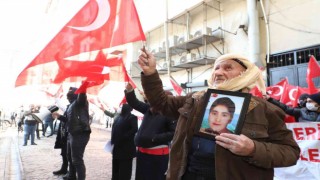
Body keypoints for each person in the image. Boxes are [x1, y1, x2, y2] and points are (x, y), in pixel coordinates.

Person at [138, 51, 300, 180]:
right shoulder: (196, 99)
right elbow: (161, 103)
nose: (219, 73)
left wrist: (253, 149)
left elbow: (290, 152)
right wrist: (151, 73)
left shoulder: (263, 109)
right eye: (216, 68)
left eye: (228, 68)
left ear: (246, 74)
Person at [125, 83, 176, 180]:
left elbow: (174, 133)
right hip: (142, 153)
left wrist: (155, 138)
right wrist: (130, 91)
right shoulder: (149, 109)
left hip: (157, 156)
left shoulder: (171, 113)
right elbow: (134, 102)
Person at [53, 86, 91, 180]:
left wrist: (83, 88)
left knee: (77, 160)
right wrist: (59, 116)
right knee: (70, 157)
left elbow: (82, 96)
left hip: (80, 134)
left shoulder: (80, 102)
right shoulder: (71, 105)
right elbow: (69, 120)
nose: (68, 96)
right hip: (72, 133)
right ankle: (71, 176)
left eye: (70, 93)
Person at [111, 103, 138, 180]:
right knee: (120, 170)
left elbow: (134, 129)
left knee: (121, 170)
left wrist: (120, 138)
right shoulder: (121, 117)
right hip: (121, 148)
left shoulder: (127, 118)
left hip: (123, 148)